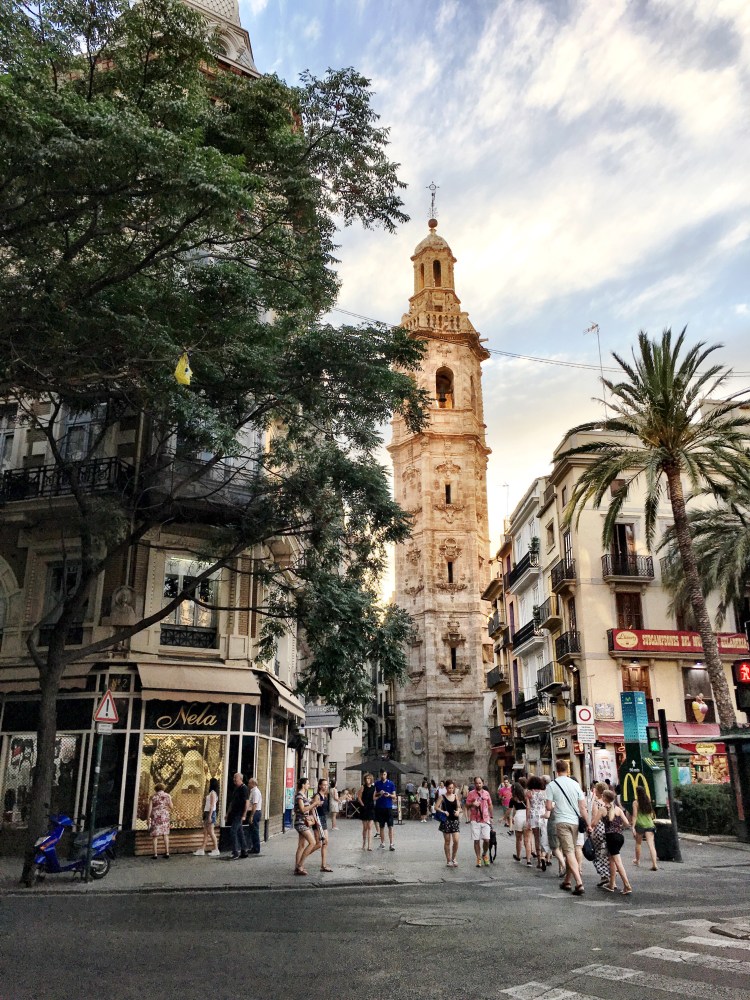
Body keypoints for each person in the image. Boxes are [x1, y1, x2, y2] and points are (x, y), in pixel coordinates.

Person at [545, 759, 589, 895]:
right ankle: (567, 881)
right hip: (575, 822)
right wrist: (588, 824)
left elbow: (548, 806)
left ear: (556, 770)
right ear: (568, 769)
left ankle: (579, 883)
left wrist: (555, 805)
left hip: (561, 821)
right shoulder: (575, 784)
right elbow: (582, 807)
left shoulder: (552, 785)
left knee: (569, 852)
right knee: (571, 850)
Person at [593, 789, 632, 893]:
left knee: (618, 862)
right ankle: (611, 884)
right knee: (612, 860)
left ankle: (627, 885)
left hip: (611, 837)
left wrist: (590, 827)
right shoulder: (618, 809)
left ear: (604, 798)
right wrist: (619, 826)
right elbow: (627, 823)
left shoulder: (602, 809)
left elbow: (595, 823)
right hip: (619, 836)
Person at [466, 776, 493, 867]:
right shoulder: (471, 794)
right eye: (476, 783)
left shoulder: (486, 793)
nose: (478, 784)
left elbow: (490, 805)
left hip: (485, 819)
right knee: (476, 840)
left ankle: (484, 854)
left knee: (487, 840)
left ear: (483, 783)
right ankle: (478, 858)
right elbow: (466, 806)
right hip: (475, 819)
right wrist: (472, 804)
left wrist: (491, 816)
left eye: (480, 783)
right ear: (474, 784)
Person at [587, 781, 610, 887]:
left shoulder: (596, 803)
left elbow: (595, 817)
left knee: (597, 853)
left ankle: (604, 875)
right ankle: (611, 874)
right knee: (608, 853)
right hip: (609, 829)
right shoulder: (609, 803)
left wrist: (590, 827)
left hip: (599, 830)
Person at [632, 784, 659, 871]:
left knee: (638, 843)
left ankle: (637, 860)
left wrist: (633, 826)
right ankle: (654, 864)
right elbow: (651, 812)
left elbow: (635, 816)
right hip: (649, 824)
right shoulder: (648, 800)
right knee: (651, 845)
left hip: (640, 825)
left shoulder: (636, 803)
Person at [293, 777, 317, 875]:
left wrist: (311, 803)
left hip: (302, 821)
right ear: (303, 785)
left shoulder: (303, 795)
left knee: (301, 845)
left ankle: (296, 868)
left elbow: (299, 809)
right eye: (307, 783)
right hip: (301, 822)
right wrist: (314, 804)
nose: (309, 785)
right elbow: (302, 809)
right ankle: (300, 865)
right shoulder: (299, 795)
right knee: (313, 842)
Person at [435, 778, 461, 866]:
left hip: (455, 821)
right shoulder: (442, 796)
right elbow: (436, 807)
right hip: (446, 821)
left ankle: (454, 858)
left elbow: (459, 807)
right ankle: (448, 860)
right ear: (446, 788)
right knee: (447, 841)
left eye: (452, 788)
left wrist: (458, 811)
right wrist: (443, 811)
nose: (451, 790)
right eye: (449, 788)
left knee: (456, 840)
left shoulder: (455, 796)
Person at [225, 771, 250, 860]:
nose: (234, 779)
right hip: (234, 813)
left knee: (233, 831)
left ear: (240, 779)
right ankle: (244, 851)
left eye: (236, 778)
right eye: (234, 778)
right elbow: (232, 802)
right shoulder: (236, 789)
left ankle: (235, 852)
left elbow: (247, 802)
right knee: (240, 832)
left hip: (239, 813)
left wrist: (244, 814)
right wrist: (228, 813)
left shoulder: (244, 788)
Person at [194, 777, 220, 857]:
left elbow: (212, 805)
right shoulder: (213, 793)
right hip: (207, 812)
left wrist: (209, 816)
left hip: (210, 813)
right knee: (205, 832)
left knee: (211, 832)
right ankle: (202, 849)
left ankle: (216, 849)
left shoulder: (212, 793)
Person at [526, 775, 547, 870]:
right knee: (544, 837)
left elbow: (528, 807)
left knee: (536, 839)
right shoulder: (544, 793)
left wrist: (527, 820)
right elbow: (547, 805)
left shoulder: (529, 793)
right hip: (543, 816)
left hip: (533, 816)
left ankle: (539, 861)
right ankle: (543, 856)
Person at [312, 778, 333, 873]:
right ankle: (304, 855)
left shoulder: (325, 795)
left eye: (326, 785)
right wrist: (316, 821)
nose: (325, 786)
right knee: (319, 844)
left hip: (323, 819)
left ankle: (323, 865)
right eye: (323, 785)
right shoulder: (317, 796)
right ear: (320, 785)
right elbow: (312, 809)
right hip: (318, 820)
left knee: (325, 842)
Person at [147, 782, 173, 859]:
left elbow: (150, 808)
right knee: (165, 834)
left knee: (155, 835)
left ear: (156, 789)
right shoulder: (168, 796)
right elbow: (171, 806)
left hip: (156, 816)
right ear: (163, 788)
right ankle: (167, 852)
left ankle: (155, 854)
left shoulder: (152, 797)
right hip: (165, 816)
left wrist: (148, 817)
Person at [374, 769, 397, 850]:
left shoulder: (391, 783)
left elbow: (394, 796)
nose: (383, 776)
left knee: (390, 826)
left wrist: (389, 795)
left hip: (388, 807)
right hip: (380, 807)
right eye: (381, 774)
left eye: (384, 774)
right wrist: (379, 793)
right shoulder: (377, 783)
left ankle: (391, 844)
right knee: (381, 826)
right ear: (380, 775)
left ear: (386, 774)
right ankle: (382, 843)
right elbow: (374, 796)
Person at [511, 777, 531, 863]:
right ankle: (528, 860)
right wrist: (528, 819)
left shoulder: (513, 799)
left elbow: (513, 809)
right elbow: (528, 808)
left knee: (518, 839)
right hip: (526, 816)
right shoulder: (526, 796)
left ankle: (518, 856)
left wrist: (512, 817)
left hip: (518, 817)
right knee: (527, 840)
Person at [358, 772, 376, 849]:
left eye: (369, 778)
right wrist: (362, 805)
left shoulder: (373, 788)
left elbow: (374, 798)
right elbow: (359, 797)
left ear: (371, 779)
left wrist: (381, 795)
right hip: (364, 808)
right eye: (366, 778)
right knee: (365, 827)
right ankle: (364, 843)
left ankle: (369, 845)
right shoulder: (363, 787)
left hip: (371, 808)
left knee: (370, 827)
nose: (367, 780)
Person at [247, 777, 262, 855]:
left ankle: (256, 848)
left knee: (255, 831)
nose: (248, 784)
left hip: (255, 813)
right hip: (255, 812)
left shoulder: (255, 792)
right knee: (253, 830)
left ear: (253, 784)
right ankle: (254, 847)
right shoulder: (253, 791)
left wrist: (252, 816)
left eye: (249, 783)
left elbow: (255, 805)